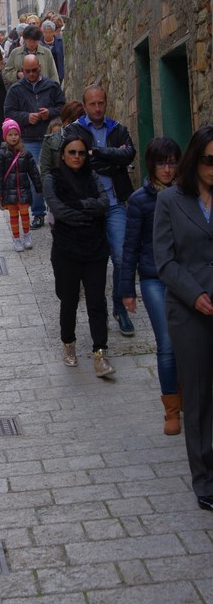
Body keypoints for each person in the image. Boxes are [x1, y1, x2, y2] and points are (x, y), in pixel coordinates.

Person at [153, 125, 213, 511]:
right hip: (190, 312)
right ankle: (205, 480)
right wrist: (196, 295)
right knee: (200, 396)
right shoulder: (171, 202)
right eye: (210, 160)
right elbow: (166, 261)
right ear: (196, 160)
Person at [119, 137, 182, 435]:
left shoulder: (188, 195)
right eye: (161, 163)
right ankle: (172, 409)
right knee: (167, 344)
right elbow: (129, 246)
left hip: (186, 278)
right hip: (154, 278)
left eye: (172, 162)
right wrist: (126, 289)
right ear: (151, 165)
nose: (167, 169)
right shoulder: (140, 200)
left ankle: (191, 398)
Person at [64, 85, 136, 336]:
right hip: (88, 206)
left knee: (120, 257)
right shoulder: (74, 131)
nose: (97, 108)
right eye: (92, 104)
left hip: (115, 203)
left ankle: (120, 306)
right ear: (84, 106)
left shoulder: (118, 129)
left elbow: (129, 155)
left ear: (106, 103)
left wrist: (100, 153)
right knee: (93, 263)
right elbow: (80, 161)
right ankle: (99, 311)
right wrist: (110, 160)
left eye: (101, 103)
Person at [44, 135, 114, 377]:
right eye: (72, 152)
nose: (77, 157)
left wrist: (79, 207)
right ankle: (69, 343)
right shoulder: (52, 179)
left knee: (96, 301)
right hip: (66, 250)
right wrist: (87, 211)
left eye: (81, 153)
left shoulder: (92, 177)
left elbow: (104, 202)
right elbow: (59, 209)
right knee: (69, 299)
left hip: (95, 248)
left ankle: (100, 352)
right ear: (63, 154)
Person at [4, 54, 65, 228]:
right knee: (35, 177)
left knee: (55, 174)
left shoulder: (51, 86)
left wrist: (50, 113)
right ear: (22, 71)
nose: (31, 74)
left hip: (51, 137)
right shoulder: (16, 90)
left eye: (34, 70)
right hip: (29, 138)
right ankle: (38, 213)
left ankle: (56, 210)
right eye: (27, 71)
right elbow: (8, 113)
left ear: (39, 67)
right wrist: (26, 117)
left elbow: (62, 107)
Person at [0, 118, 42, 252]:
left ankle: (26, 235)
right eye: (10, 134)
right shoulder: (1, 155)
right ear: (5, 136)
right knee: (13, 216)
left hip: (23, 190)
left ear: (19, 135)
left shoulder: (25, 154)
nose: (13, 137)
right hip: (9, 192)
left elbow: (33, 172)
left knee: (25, 213)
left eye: (16, 134)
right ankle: (16, 238)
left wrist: (38, 187)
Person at [39, 100, 84, 180]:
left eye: (78, 122)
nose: (74, 126)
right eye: (71, 121)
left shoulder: (86, 139)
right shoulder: (50, 141)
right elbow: (45, 170)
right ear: (64, 120)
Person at [40, 19, 64, 84]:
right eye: (45, 32)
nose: (48, 34)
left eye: (50, 32)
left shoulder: (60, 42)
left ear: (53, 32)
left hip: (58, 72)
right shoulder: (39, 44)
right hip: (44, 72)